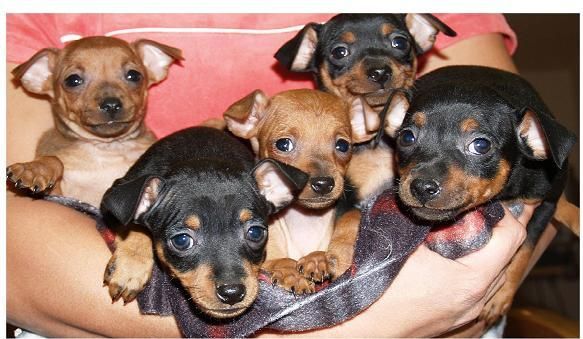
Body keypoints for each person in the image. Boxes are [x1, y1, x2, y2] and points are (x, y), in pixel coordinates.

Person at [6, 13, 557, 337]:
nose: (374, 68)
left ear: (370, 128)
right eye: (286, 147)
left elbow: (524, 171)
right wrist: (334, 326)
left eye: (340, 146)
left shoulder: (387, 135)